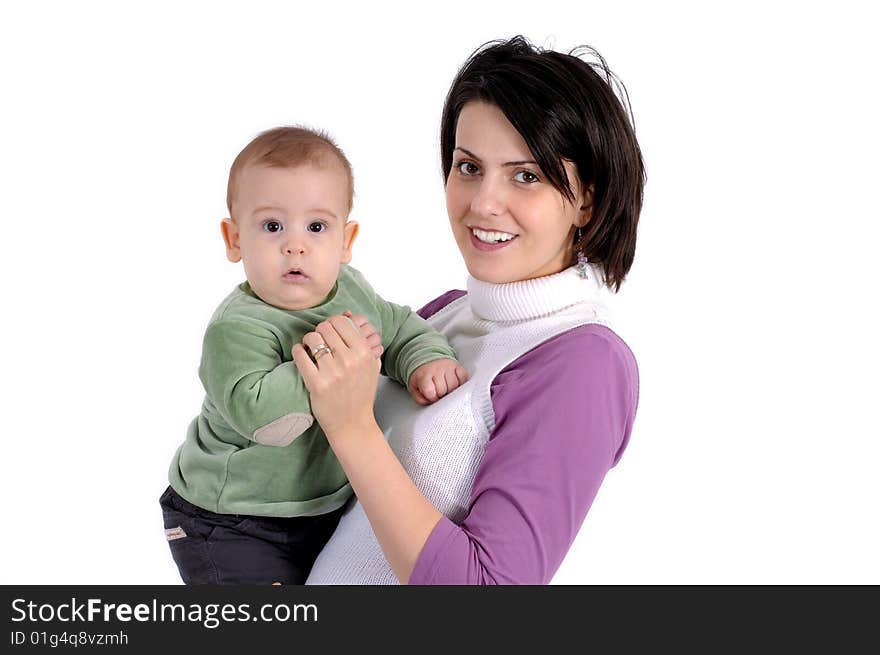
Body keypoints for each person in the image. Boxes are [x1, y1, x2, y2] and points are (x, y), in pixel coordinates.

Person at [299, 36, 645, 584]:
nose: (483, 202)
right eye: (468, 167)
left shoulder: (583, 363)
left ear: (587, 200)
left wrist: (351, 428)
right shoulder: (444, 316)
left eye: (526, 175)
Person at [160, 126, 467, 585]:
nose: (295, 244)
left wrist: (424, 359)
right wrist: (334, 356)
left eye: (317, 227)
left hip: (316, 507)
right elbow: (261, 416)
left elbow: (398, 326)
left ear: (346, 240)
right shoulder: (238, 328)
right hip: (230, 519)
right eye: (271, 226)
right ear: (234, 239)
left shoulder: (353, 291)